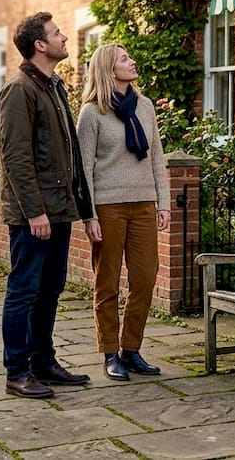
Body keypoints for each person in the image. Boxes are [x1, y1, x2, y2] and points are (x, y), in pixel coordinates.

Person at [0, 12, 95, 399]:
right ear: (40, 44)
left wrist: (83, 208)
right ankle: (17, 371)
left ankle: (43, 362)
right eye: (57, 33)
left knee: (51, 287)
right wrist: (35, 211)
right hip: (33, 213)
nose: (64, 37)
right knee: (24, 289)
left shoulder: (52, 86)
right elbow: (15, 157)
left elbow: (69, 153)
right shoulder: (19, 89)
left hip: (59, 207)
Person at [76, 43, 170, 381]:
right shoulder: (91, 113)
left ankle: (132, 349)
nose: (132, 62)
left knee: (145, 279)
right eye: (125, 59)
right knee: (108, 282)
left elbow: (157, 156)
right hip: (107, 207)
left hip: (144, 204)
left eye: (130, 56)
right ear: (107, 69)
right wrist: (89, 216)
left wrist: (163, 202)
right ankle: (109, 353)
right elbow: (83, 169)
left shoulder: (144, 107)